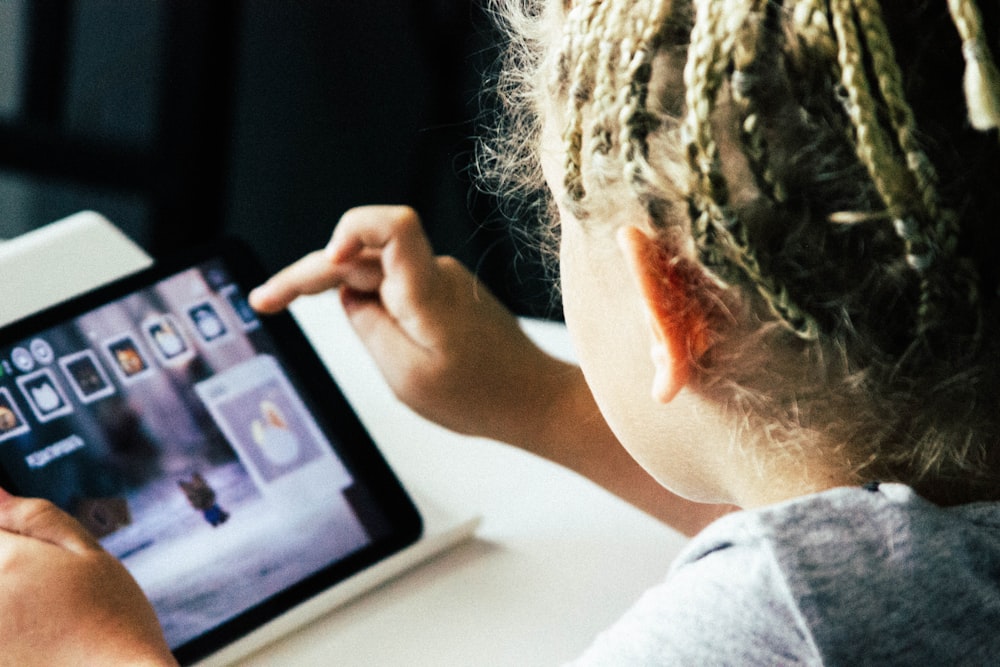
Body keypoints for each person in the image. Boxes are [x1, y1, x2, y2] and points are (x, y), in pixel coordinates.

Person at [3, 0, 1000, 663]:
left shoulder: (746, 636)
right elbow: (867, 549)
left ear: (671, 304)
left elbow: (812, 598)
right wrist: (533, 398)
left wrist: (99, 651)